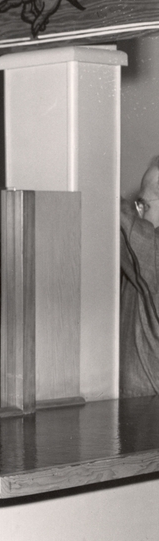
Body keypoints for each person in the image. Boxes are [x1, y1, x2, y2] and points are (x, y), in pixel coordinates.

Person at [119, 156, 159, 397]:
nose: (139, 212)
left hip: (149, 407)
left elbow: (120, 218)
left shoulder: (152, 250)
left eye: (143, 205)